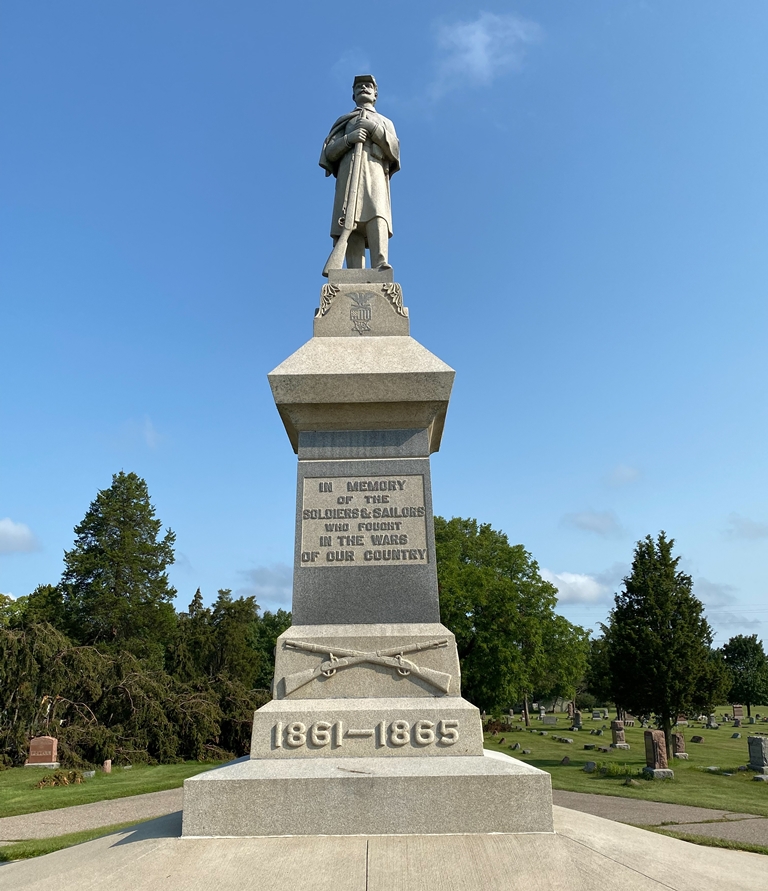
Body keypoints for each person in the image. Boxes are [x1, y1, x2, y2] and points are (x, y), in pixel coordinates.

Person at [319, 74, 400, 271]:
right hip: (348, 176)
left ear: (375, 94)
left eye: (368, 86)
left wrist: (373, 129)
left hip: (375, 173)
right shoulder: (345, 121)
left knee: (377, 214)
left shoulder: (385, 121)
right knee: (349, 219)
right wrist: (349, 139)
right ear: (353, 95)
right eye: (359, 86)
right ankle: (353, 269)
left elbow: (395, 150)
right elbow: (328, 152)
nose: (364, 88)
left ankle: (380, 262)